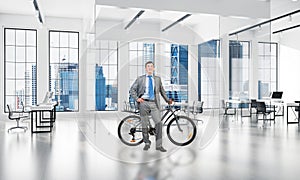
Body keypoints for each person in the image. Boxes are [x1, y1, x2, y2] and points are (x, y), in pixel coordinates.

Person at [130, 61, 172, 152]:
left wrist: (167, 100)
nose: (149, 68)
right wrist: (137, 99)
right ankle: (147, 143)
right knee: (144, 124)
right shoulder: (140, 79)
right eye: (148, 66)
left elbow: (162, 91)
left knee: (159, 123)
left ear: (154, 68)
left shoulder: (157, 79)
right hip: (143, 103)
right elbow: (132, 90)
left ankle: (159, 145)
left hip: (153, 103)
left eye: (151, 66)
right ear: (145, 68)